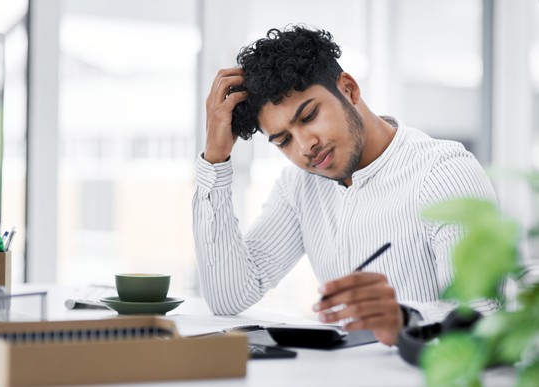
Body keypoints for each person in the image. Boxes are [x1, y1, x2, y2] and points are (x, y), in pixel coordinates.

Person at [192, 25, 498, 346]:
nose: (304, 147)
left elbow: (485, 313)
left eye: (309, 116)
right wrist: (215, 157)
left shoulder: (444, 173)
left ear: (349, 89)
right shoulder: (299, 186)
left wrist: (408, 318)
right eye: (283, 140)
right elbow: (229, 295)